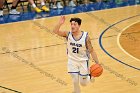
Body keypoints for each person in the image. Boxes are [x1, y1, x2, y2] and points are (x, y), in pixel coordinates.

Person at [53, 16, 100, 93]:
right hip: (72, 61)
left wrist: (97, 63)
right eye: (71, 24)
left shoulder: (85, 37)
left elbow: (91, 51)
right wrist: (60, 23)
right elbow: (55, 31)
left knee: (83, 83)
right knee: (75, 79)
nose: (72, 26)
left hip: (83, 61)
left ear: (79, 25)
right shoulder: (67, 34)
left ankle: (90, 76)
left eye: (75, 24)